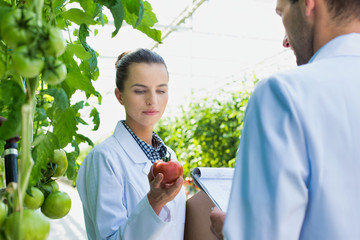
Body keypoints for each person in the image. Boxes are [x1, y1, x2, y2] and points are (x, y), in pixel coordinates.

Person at [210, 0, 360, 239]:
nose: (285, 41)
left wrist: (230, 233)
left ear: (308, 4)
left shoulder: (283, 93)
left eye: (283, 13)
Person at [76, 48, 186, 240]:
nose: (153, 100)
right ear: (120, 96)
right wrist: (153, 203)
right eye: (140, 91)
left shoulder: (169, 156)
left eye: (161, 90)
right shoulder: (104, 158)